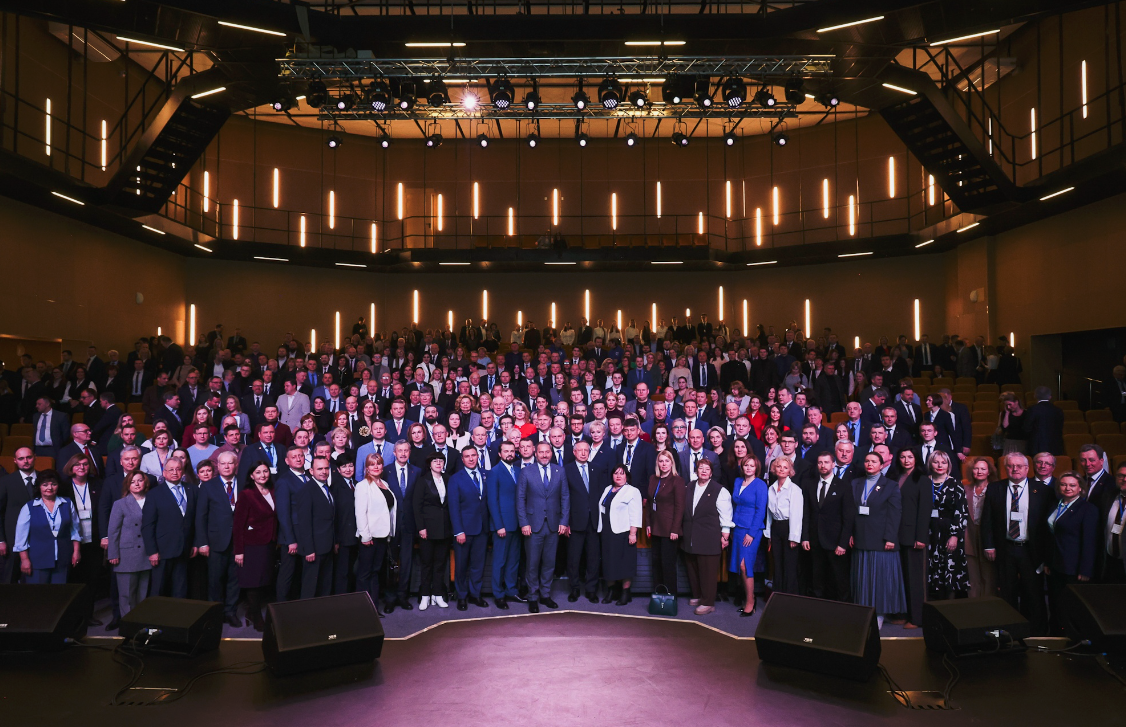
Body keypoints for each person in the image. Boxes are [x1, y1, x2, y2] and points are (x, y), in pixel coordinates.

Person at [981, 453, 1049, 635]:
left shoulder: (1041, 490)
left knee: (1033, 593)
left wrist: (1046, 554)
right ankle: (1009, 632)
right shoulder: (995, 488)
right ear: (1006, 468)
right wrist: (989, 545)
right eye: (1011, 466)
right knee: (1007, 592)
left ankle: (1036, 633)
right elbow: (987, 519)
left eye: (1019, 466)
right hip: (1006, 548)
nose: (1015, 469)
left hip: (1030, 549)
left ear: (1027, 469)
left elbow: (1046, 525)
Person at [851, 452, 906, 630]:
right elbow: (851, 511)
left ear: (882, 465)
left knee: (879, 580)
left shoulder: (890, 485)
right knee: (863, 580)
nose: (869, 464)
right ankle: (864, 613)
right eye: (867, 461)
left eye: (874, 461)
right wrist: (851, 533)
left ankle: (879, 614)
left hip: (882, 540)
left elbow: (895, 513)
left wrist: (890, 537)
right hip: (861, 538)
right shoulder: (855, 483)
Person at [1041, 471, 1099, 635]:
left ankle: (1072, 638)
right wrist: (1048, 561)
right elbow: (1050, 536)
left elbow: (1090, 541)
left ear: (1080, 488)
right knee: (1055, 604)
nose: (1067, 488)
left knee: (1071, 607)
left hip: (1073, 568)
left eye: (1072, 485)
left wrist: (1085, 569)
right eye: (1063, 484)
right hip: (1055, 564)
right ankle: (1055, 636)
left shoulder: (1088, 509)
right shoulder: (1055, 505)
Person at [517, 441, 569, 612]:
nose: (544, 455)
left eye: (547, 452)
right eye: (541, 452)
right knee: (532, 563)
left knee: (549, 563)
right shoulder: (526, 472)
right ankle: (532, 596)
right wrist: (524, 523)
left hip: (553, 525)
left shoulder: (560, 471)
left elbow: (565, 497)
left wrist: (564, 521)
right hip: (533, 526)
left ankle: (545, 595)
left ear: (551, 453)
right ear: (535, 453)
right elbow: (520, 499)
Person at [800, 451, 855, 604]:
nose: (823, 465)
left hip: (835, 542)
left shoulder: (844, 486)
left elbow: (848, 517)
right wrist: (805, 537)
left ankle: (843, 610)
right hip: (815, 540)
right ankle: (818, 609)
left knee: (839, 579)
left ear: (833, 464)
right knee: (817, 578)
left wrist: (843, 543)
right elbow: (806, 513)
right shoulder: (810, 485)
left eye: (826, 462)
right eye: (820, 462)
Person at [680, 458, 733, 615]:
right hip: (690, 534)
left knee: (707, 571)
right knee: (692, 567)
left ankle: (708, 602)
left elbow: (726, 515)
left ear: (711, 473)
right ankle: (698, 596)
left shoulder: (719, 490)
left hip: (709, 535)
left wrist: (725, 535)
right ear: (696, 471)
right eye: (701, 468)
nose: (703, 471)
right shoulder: (689, 486)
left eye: (707, 469)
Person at [195, 451, 242, 627]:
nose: (227, 466)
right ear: (218, 466)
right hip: (215, 542)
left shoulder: (244, 483)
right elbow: (201, 516)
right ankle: (215, 614)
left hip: (238, 541)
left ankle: (230, 612)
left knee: (235, 579)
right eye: (223, 464)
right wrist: (202, 542)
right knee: (215, 580)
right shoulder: (208, 486)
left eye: (230, 463)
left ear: (236, 465)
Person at [142, 457, 197, 597]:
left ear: (183, 471)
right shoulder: (154, 494)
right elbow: (148, 525)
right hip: (162, 550)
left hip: (185, 549)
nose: (175, 472)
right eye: (171, 469)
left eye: (178, 469)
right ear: (164, 473)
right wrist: (152, 551)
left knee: (181, 590)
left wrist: (195, 543)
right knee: (159, 589)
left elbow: (196, 520)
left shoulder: (192, 490)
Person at [14, 471, 81, 584]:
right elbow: (21, 538)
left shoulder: (67, 503)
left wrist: (76, 552)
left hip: (63, 559)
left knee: (60, 593)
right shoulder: (29, 507)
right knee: (38, 593)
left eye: (53, 484)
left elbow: (75, 530)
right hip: (37, 561)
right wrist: (24, 560)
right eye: (45, 485)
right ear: (39, 487)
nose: (49, 488)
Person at [233, 461, 277, 631]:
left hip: (269, 543)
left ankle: (251, 613)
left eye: (265, 471)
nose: (262, 475)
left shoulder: (272, 490)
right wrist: (239, 551)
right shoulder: (246, 494)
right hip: (252, 545)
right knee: (253, 582)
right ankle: (256, 616)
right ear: (252, 476)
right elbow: (238, 525)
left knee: (264, 580)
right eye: (258, 472)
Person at [354, 454, 396, 616]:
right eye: (372, 464)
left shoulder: (384, 484)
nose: (376, 467)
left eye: (378, 464)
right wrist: (365, 536)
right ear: (367, 468)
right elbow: (360, 513)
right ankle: (362, 610)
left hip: (383, 536)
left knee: (376, 572)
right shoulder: (363, 486)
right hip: (369, 537)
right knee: (365, 574)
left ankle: (373, 608)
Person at [448, 447, 489, 610]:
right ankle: (462, 596)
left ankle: (475, 595)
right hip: (464, 530)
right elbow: (453, 507)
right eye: (467, 456)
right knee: (461, 565)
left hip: (482, 529)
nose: (471, 459)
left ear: (478, 456)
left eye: (473, 455)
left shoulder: (486, 475)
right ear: (462, 459)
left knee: (478, 565)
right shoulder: (455, 479)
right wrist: (458, 530)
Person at [106, 471, 151, 617]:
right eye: (132, 481)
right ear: (127, 485)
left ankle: (141, 623)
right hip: (127, 554)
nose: (136, 484)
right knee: (127, 595)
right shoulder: (120, 504)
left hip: (147, 553)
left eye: (140, 480)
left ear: (145, 482)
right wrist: (113, 554)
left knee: (143, 594)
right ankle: (128, 624)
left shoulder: (152, 500)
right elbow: (113, 531)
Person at [565, 440, 606, 603]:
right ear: (574, 452)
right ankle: (574, 589)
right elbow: (563, 497)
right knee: (573, 558)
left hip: (594, 521)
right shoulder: (566, 470)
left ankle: (591, 590)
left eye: (586, 450)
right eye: (580, 450)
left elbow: (602, 495)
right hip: (574, 521)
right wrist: (565, 521)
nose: (583, 453)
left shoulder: (597, 469)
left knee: (593, 558)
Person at [926, 451, 969, 600]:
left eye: (943, 463)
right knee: (930, 570)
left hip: (948, 532)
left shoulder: (955, 484)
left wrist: (955, 535)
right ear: (930, 463)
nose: (939, 465)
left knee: (950, 571)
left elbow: (961, 511)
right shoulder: (924, 482)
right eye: (936, 462)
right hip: (928, 532)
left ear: (948, 465)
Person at [894, 448, 930, 629]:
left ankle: (917, 618)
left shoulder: (922, 480)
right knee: (900, 578)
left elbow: (925, 510)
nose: (906, 460)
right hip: (896, 534)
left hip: (914, 536)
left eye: (910, 457)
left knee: (914, 579)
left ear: (916, 459)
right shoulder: (896, 477)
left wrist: (921, 537)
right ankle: (903, 614)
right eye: (902, 457)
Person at [597, 465, 643, 605]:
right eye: (616, 473)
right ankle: (611, 591)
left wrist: (633, 533)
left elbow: (636, 513)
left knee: (625, 563)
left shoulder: (632, 491)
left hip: (623, 533)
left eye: (622, 473)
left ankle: (625, 593)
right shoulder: (607, 489)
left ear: (626, 476)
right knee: (609, 562)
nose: (618, 476)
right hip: (607, 532)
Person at [293, 457, 337, 599]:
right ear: (311, 471)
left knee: (325, 585)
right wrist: (309, 549)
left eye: (326, 468)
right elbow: (304, 523)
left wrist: (334, 542)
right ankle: (306, 613)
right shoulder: (306, 491)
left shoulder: (326, 488)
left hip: (327, 546)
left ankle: (323, 611)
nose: (324, 472)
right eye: (319, 469)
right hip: (314, 549)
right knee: (310, 587)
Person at [486, 441, 523, 609]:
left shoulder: (518, 470)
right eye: (506, 451)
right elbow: (492, 501)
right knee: (499, 561)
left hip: (517, 523)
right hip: (502, 525)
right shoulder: (494, 472)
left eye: (512, 451)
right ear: (499, 454)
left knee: (513, 560)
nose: (509, 454)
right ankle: (498, 594)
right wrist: (498, 525)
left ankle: (511, 590)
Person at [413, 452, 452, 611]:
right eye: (435, 461)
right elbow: (416, 506)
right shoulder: (423, 481)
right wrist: (421, 527)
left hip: (445, 529)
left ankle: (437, 594)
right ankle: (425, 595)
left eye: (441, 461)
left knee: (440, 564)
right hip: (427, 529)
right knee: (427, 564)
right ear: (429, 464)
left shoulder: (448, 479)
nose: (438, 463)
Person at [731, 456, 768, 615]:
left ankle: (750, 602)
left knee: (745, 566)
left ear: (756, 468)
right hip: (737, 527)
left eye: (752, 466)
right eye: (746, 465)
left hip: (752, 529)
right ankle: (748, 597)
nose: (748, 468)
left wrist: (751, 533)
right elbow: (735, 504)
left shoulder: (760, 485)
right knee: (739, 566)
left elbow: (761, 511)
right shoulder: (738, 481)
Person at [646, 449, 686, 596]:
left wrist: (675, 529)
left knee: (667, 564)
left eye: (667, 461)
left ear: (672, 463)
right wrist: (648, 524)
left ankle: (670, 597)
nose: (664, 464)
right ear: (657, 463)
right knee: (656, 563)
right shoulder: (653, 478)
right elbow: (650, 503)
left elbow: (680, 507)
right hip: (655, 526)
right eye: (661, 461)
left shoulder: (677, 480)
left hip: (670, 529)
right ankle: (658, 596)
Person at [765, 457, 803, 594]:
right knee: (777, 564)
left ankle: (789, 598)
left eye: (785, 467)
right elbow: (769, 514)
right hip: (775, 528)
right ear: (774, 469)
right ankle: (777, 596)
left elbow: (796, 514)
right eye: (779, 466)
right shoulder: (771, 488)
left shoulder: (794, 489)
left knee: (789, 565)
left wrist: (794, 537)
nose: (781, 469)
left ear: (790, 471)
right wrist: (769, 534)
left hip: (788, 528)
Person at [964, 457, 998, 598]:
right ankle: (974, 607)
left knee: (988, 576)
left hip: (988, 536)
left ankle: (988, 607)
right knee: (972, 577)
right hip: (969, 535)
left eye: (983, 469)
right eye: (976, 468)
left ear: (989, 472)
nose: (979, 471)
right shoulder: (965, 489)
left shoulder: (995, 489)